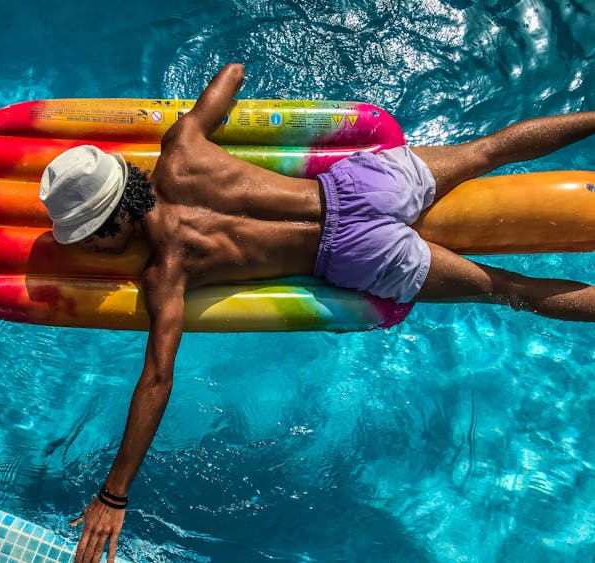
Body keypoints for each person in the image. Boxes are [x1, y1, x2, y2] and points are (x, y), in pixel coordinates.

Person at [38, 63, 595, 562]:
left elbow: (158, 378)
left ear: (113, 223)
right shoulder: (181, 145)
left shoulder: (168, 271)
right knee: (487, 150)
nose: (88, 249)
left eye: (87, 239)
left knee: (509, 288)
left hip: (352, 256)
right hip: (358, 188)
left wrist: (114, 494)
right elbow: (232, 75)